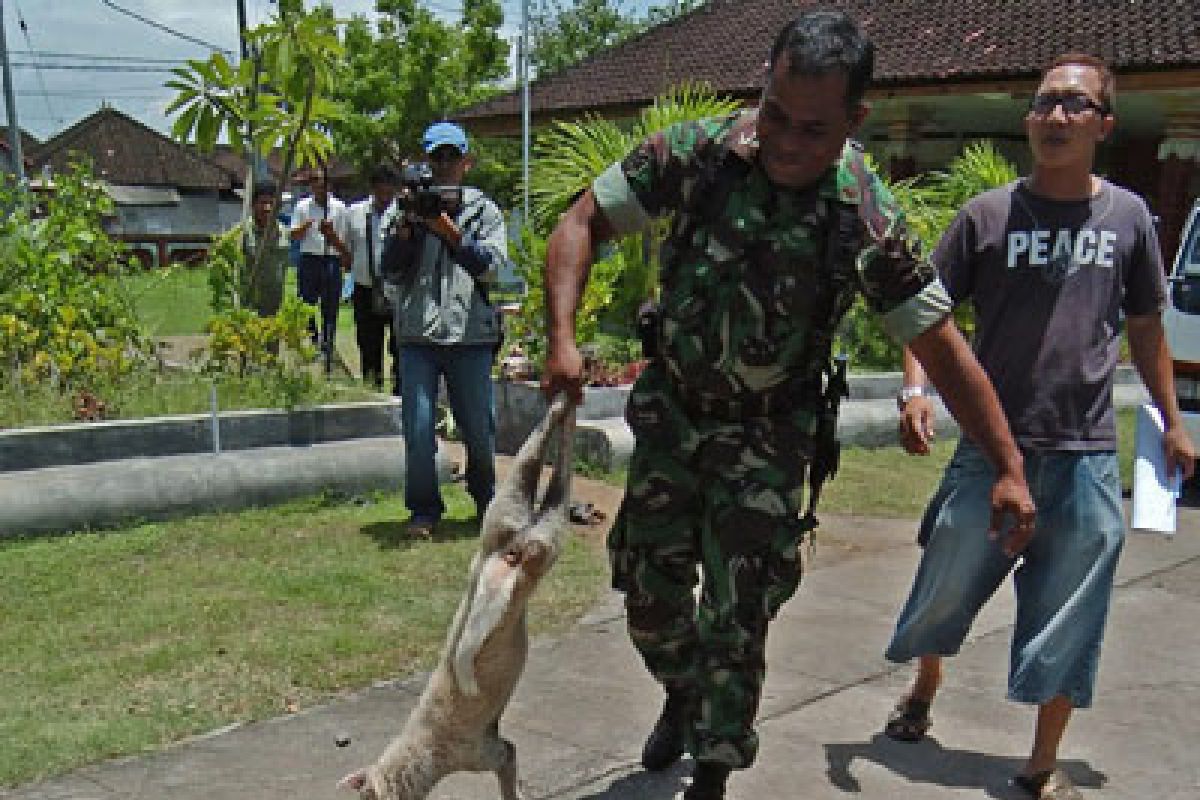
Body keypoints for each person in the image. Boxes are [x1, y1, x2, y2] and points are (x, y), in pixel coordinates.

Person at [539, 10, 1037, 800]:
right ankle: (683, 691)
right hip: (672, 416)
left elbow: (940, 341)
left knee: (739, 615)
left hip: (769, 438)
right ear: (762, 86)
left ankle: (714, 766)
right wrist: (562, 336)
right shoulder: (698, 154)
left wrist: (1008, 466)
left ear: (854, 121)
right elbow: (581, 220)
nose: (786, 141)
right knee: (646, 590)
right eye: (774, 112)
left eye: (813, 128)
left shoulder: (863, 213)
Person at [882, 54, 1196, 800]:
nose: (1056, 116)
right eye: (1045, 103)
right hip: (993, 451)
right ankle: (926, 683)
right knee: (945, 586)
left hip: (1086, 453)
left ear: (1103, 124)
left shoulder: (1127, 219)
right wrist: (913, 391)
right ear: (1029, 118)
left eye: (1075, 105)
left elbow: (1147, 325)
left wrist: (1174, 423)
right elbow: (925, 310)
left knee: (1072, 616)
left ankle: (1039, 765)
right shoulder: (987, 216)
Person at [389, 121, 507, 538]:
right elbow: (389, 270)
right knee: (418, 426)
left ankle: (487, 501)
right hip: (417, 335)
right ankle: (423, 510)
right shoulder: (404, 206)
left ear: (466, 162)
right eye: (435, 157)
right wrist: (407, 229)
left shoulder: (485, 212)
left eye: (450, 157)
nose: (443, 165)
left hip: (470, 334)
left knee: (479, 428)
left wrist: (451, 234)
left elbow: (494, 269)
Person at [347, 166, 401, 394]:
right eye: (381, 194)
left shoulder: (403, 213)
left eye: (389, 194)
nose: (385, 199)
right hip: (365, 288)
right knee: (369, 344)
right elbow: (347, 248)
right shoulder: (355, 213)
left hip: (397, 289)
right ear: (373, 190)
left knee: (399, 345)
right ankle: (372, 391)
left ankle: (401, 392)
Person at [290, 167, 350, 359]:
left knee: (330, 305)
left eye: (321, 182)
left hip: (330, 259)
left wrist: (331, 235)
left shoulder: (339, 208)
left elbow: (344, 241)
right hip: (309, 259)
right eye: (314, 182)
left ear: (328, 185)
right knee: (306, 303)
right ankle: (314, 341)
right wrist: (306, 226)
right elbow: (294, 235)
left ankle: (328, 345)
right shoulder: (302, 207)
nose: (318, 186)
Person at [241, 182, 289, 318]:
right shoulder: (242, 233)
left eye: (271, 203)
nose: (267, 208)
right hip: (249, 305)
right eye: (262, 203)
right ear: (253, 205)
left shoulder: (283, 232)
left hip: (275, 304)